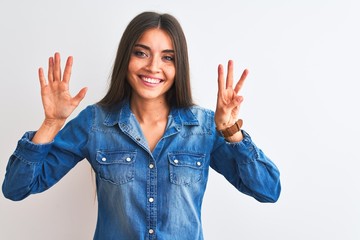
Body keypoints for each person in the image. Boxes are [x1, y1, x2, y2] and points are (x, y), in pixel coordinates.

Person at [2, 11, 281, 240]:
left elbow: (268, 190)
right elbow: (17, 189)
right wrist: (51, 123)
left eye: (167, 57)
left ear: (178, 66)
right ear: (126, 59)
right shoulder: (95, 123)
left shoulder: (204, 127)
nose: (153, 67)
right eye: (141, 53)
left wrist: (232, 133)